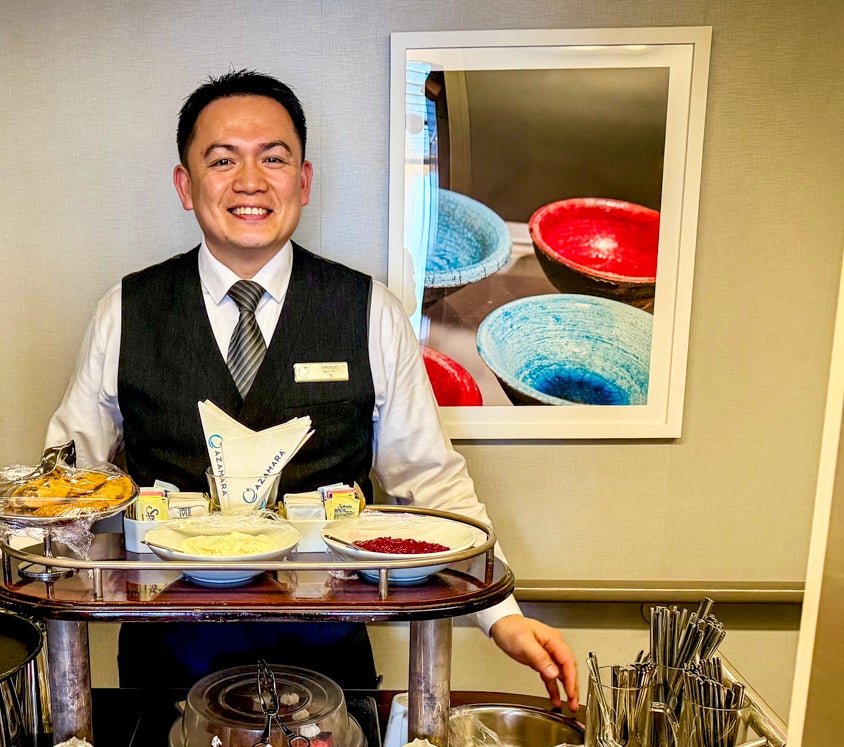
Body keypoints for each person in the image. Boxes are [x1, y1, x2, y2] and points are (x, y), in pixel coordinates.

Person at [47, 70, 578, 709]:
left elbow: (429, 480)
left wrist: (502, 616)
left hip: (331, 673)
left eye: (274, 158)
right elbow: (64, 490)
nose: (250, 181)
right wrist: (2, 606)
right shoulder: (125, 311)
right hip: (164, 673)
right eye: (223, 161)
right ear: (186, 186)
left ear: (303, 180)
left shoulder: (369, 311)